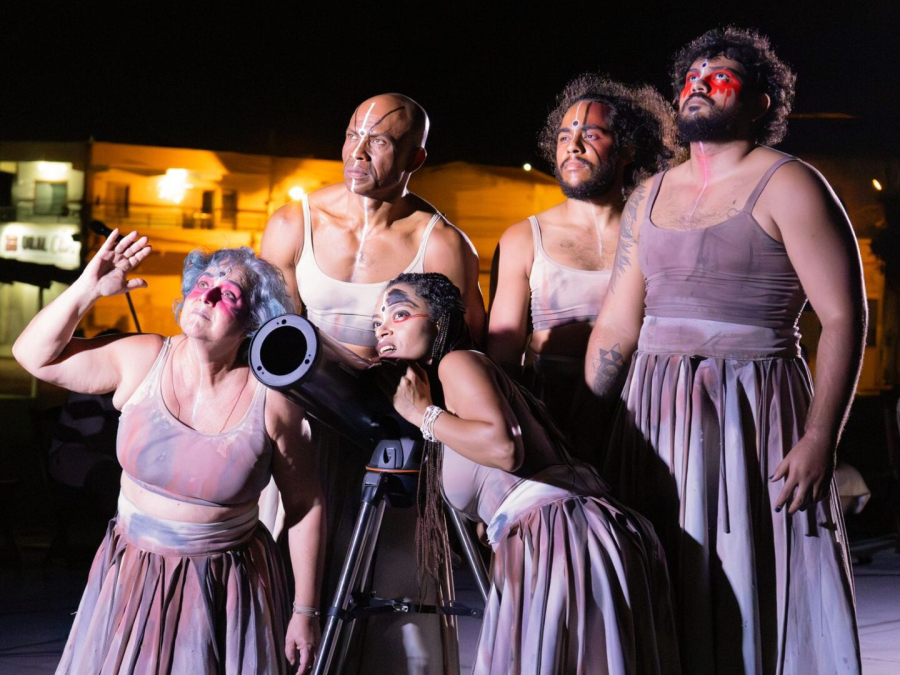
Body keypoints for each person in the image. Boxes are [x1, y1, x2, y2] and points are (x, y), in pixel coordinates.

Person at [586, 27, 864, 674]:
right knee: (665, 577)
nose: (700, 84)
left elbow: (844, 316)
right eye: (692, 75)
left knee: (750, 575)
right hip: (653, 415)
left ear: (762, 102)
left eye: (721, 75)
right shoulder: (648, 194)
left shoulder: (791, 184)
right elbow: (618, 326)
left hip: (752, 408)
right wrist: (587, 431)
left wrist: (822, 437)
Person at [13, 230, 324, 674]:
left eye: (227, 294)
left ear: (253, 320)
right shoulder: (143, 357)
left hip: (226, 587)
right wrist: (88, 289)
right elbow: (33, 356)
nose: (207, 296)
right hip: (132, 577)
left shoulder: (273, 399)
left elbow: (305, 505)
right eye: (202, 286)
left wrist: (304, 612)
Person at [261, 93, 485, 673]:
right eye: (351, 134)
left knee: (394, 602)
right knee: (288, 595)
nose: (358, 152)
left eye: (380, 141)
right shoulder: (294, 222)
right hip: (299, 427)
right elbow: (266, 338)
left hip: (391, 435)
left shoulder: (440, 242)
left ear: (416, 155)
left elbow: (466, 358)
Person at [377, 272, 680, 675]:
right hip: (573, 539)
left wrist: (422, 414)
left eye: (399, 312)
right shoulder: (460, 390)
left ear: (442, 320)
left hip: (561, 542)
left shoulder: (458, 362)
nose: (382, 326)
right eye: (376, 321)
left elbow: (504, 448)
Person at [488, 75, 675, 466]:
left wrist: (563, 338)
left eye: (591, 135)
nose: (572, 147)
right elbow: (503, 360)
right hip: (555, 425)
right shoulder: (524, 238)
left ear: (629, 148)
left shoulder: (659, 231)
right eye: (562, 137)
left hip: (650, 421)